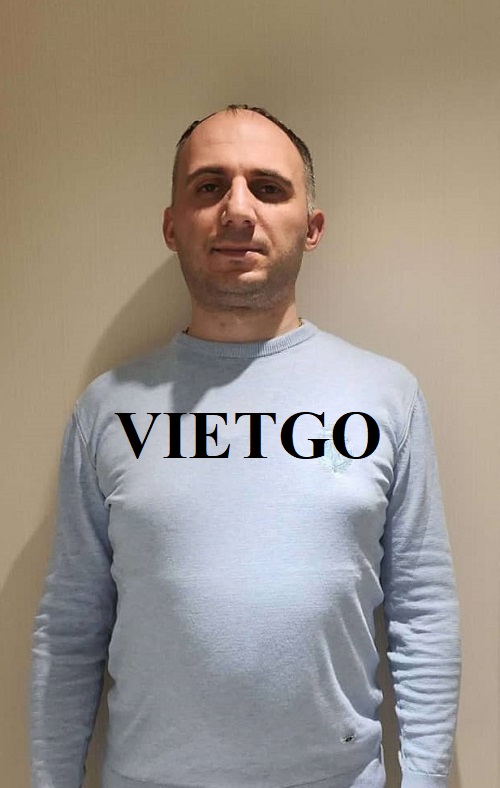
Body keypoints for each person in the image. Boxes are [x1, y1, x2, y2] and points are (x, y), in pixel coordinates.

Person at [30, 103, 462, 788]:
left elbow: (423, 610)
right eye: (209, 186)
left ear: (311, 228)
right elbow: (70, 625)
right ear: (172, 226)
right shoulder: (108, 410)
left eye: (268, 187)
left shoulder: (386, 396)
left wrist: (428, 779)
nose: (237, 210)